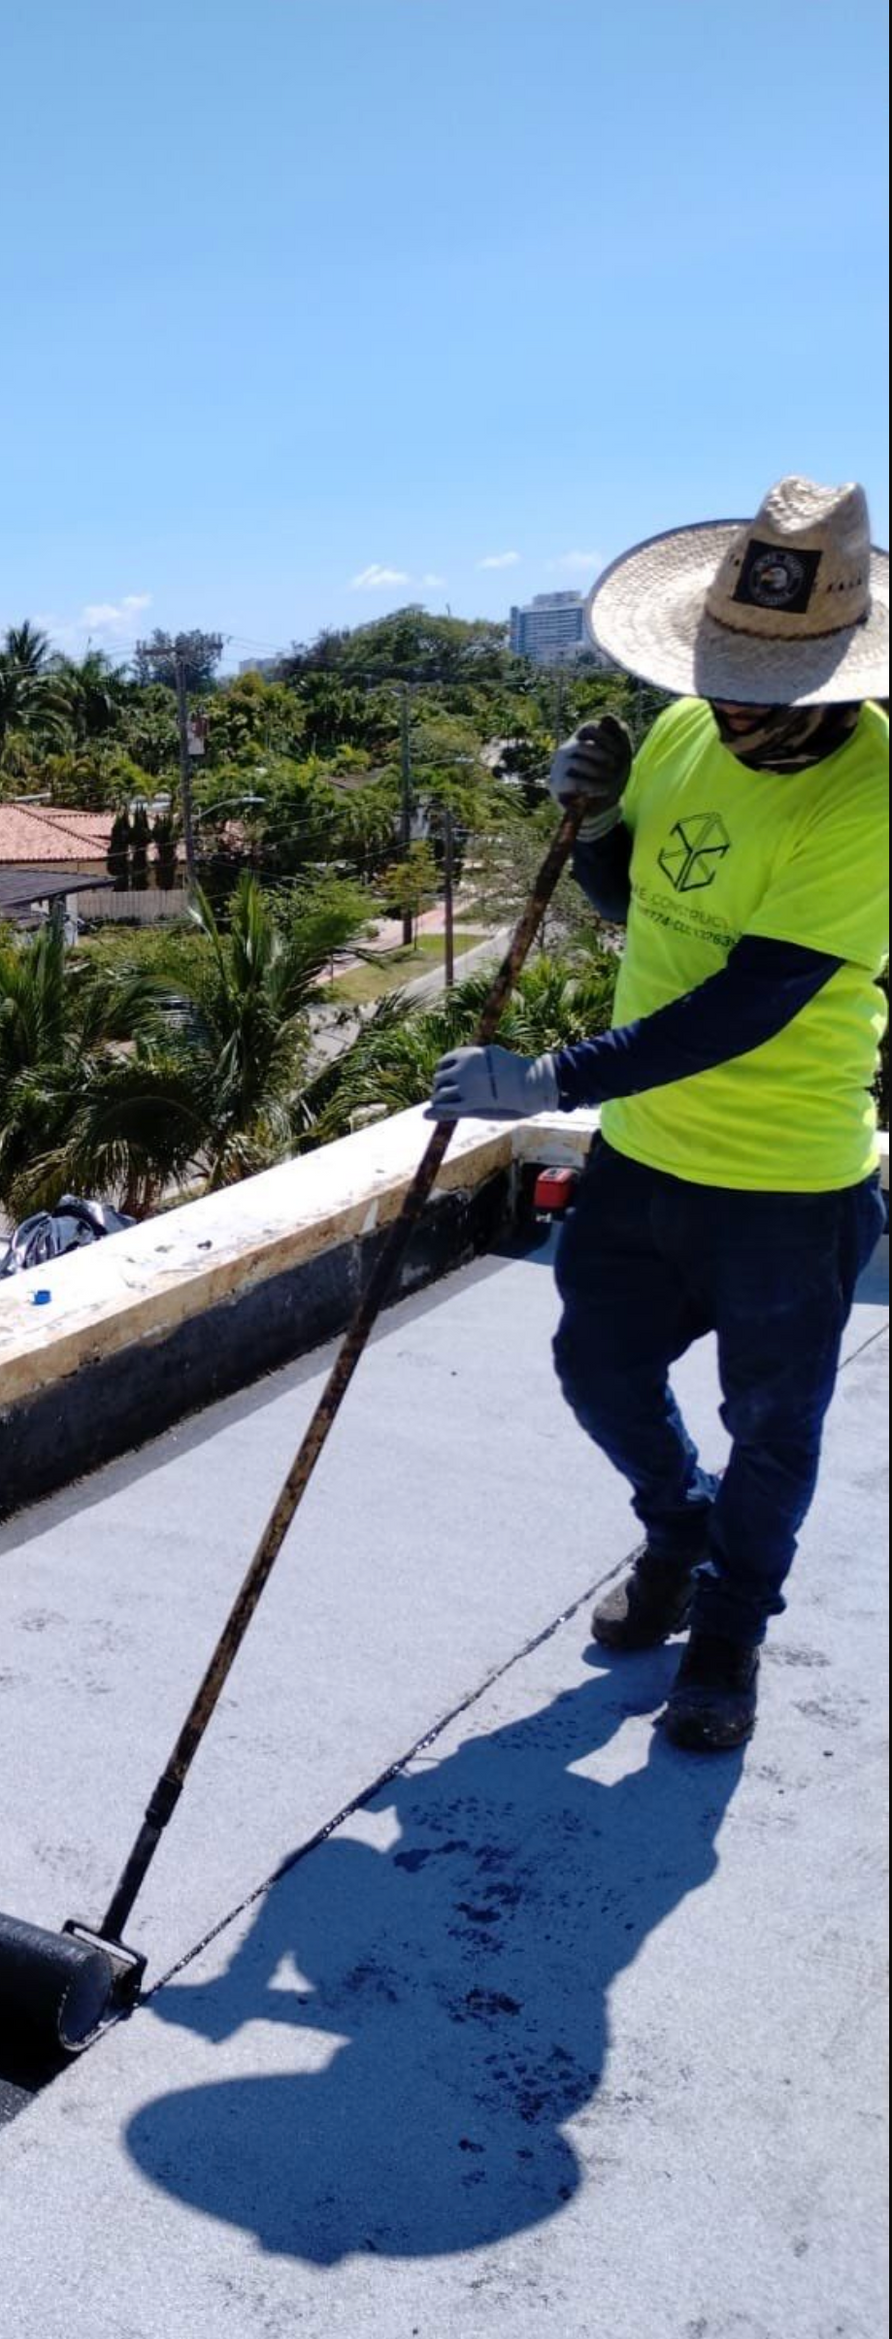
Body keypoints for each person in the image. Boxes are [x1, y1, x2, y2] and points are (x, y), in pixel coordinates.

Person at [430, 476, 888, 1752]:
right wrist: (599, 822)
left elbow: (752, 998)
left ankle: (733, 1631)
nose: (740, 704)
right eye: (728, 671)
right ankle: (677, 1526)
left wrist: (551, 1079)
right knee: (598, 1365)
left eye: (772, 688)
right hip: (645, 1154)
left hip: (786, 1181)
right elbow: (643, 902)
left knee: (773, 1424)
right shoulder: (691, 730)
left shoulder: (875, 799)